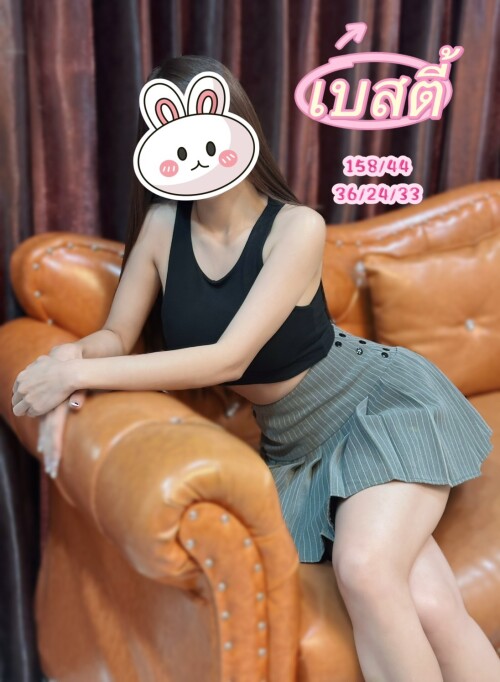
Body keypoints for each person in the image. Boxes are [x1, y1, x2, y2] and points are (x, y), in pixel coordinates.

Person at [11, 54, 499, 682]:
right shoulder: (162, 227)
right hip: (295, 441)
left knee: (366, 570)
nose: (196, 157)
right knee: (430, 602)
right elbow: (116, 336)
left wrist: (78, 377)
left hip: (376, 404)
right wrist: (69, 357)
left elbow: (230, 356)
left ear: (238, 129)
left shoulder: (297, 228)